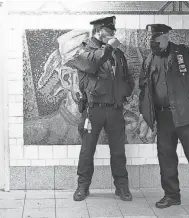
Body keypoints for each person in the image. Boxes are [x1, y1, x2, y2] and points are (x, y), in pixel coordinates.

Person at [137, 23, 189, 212]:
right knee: (166, 158)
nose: (153, 43)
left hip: (187, 117)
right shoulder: (149, 60)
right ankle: (172, 195)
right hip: (163, 117)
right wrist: (146, 109)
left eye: (156, 39)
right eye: (150, 40)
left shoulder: (184, 54)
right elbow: (143, 86)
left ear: (166, 37)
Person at [64, 16, 135, 202]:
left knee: (118, 150)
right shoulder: (84, 50)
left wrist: (124, 93)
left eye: (113, 31)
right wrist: (109, 47)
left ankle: (122, 187)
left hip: (114, 109)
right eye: (109, 31)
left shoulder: (117, 53)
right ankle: (82, 186)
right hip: (92, 110)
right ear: (97, 30)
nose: (113, 35)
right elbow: (92, 63)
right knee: (87, 150)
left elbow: (128, 77)